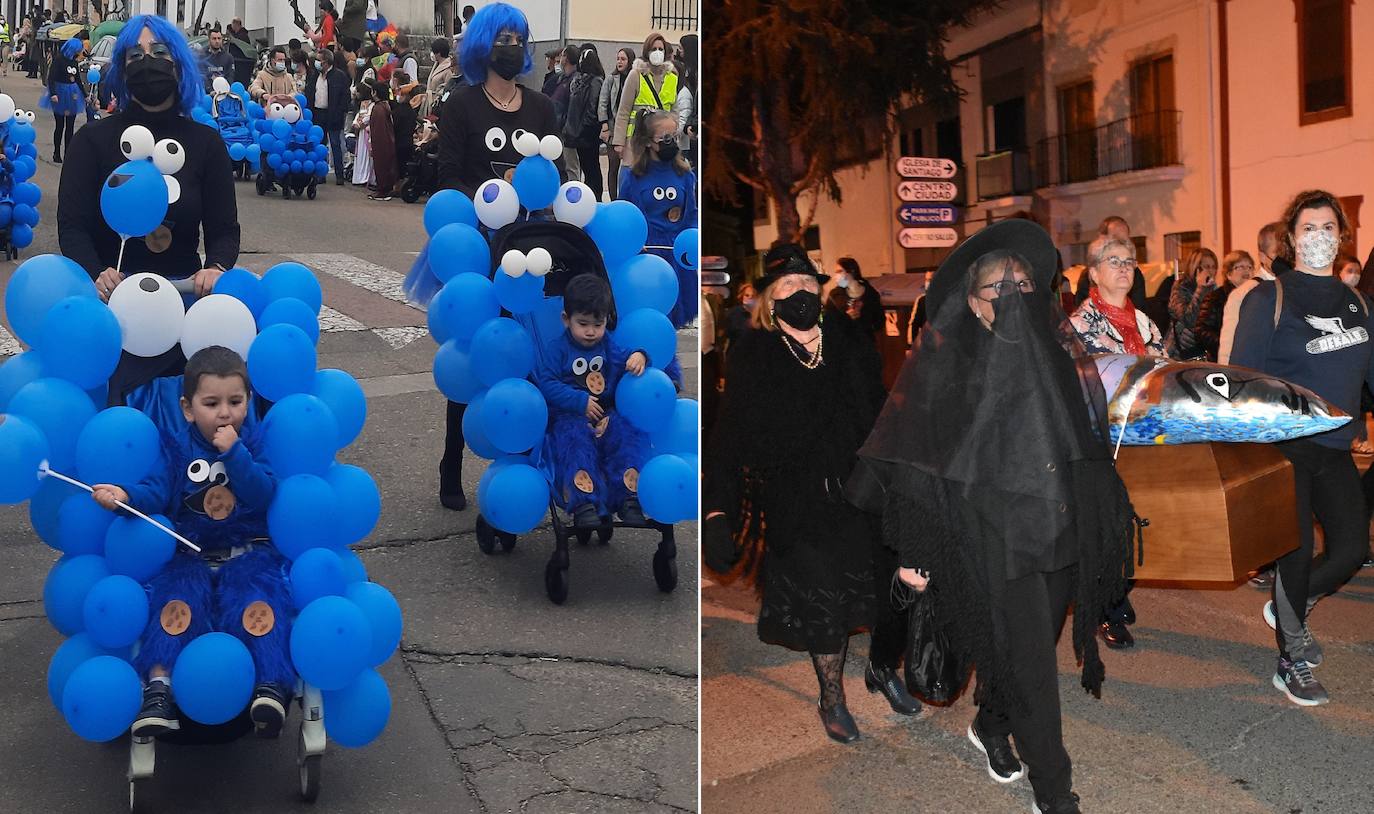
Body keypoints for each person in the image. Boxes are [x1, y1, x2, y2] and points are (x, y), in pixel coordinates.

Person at [851, 220, 1136, 813]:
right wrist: (917, 555)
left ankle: (992, 721)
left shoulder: (1059, 355)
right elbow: (918, 464)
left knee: (1027, 651)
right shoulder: (948, 365)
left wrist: (1101, 522)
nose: (1012, 296)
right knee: (1033, 667)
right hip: (992, 535)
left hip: (1058, 529)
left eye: (1023, 285)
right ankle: (1054, 793)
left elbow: (1086, 445)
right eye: (998, 288)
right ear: (974, 304)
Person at [705, 242, 910, 744]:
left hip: (860, 491)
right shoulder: (755, 354)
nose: (799, 292)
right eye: (787, 285)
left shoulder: (848, 341)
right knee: (825, 603)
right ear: (770, 300)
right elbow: (730, 437)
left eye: (806, 283)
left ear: (820, 292)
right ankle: (832, 697)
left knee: (888, 591)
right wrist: (717, 511)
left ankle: (883, 667)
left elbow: (882, 411)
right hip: (798, 503)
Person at [91, 347, 293, 739]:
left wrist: (235, 454)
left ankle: (270, 684)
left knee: (259, 603)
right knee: (174, 605)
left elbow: (263, 493)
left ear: (248, 402)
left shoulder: (253, 445)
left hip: (246, 552)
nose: (225, 413)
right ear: (187, 408)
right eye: (211, 404)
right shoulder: (176, 449)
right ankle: (159, 689)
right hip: (189, 553)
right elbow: (155, 491)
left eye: (235, 402)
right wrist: (125, 496)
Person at [1230, 190, 1374, 706]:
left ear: (1342, 236)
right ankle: (1291, 659)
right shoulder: (1269, 298)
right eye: (1308, 228)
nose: (1319, 237)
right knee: (1295, 553)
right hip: (1283, 448)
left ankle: (1291, 603)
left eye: (1328, 227)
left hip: (1333, 447)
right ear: (1292, 238)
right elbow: (1241, 380)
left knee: (1352, 549)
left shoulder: (1359, 304)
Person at [57, 15, 240, 404]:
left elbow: (224, 229)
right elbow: (72, 226)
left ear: (178, 64)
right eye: (135, 55)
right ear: (122, 70)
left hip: (184, 315)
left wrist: (216, 267)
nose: (147, 62)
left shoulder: (206, 144)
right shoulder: (92, 141)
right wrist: (96, 273)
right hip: (113, 316)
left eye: (158, 52)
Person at [431, 3, 562, 509]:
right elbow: (447, 177)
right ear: (484, 45)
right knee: (472, 353)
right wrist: (494, 194)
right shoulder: (461, 104)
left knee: (526, 353)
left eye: (519, 39)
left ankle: (522, 460)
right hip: (477, 248)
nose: (512, 47)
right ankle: (452, 458)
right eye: (503, 38)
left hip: (531, 250)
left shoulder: (541, 107)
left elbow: (554, 177)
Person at [535, 274, 652, 528]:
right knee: (574, 442)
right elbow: (547, 383)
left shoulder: (606, 344)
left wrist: (640, 356)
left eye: (597, 325)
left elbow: (624, 357)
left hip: (604, 413)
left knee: (624, 433)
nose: (590, 332)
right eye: (583, 324)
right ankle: (583, 501)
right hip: (568, 414)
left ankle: (628, 494)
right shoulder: (558, 349)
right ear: (566, 319)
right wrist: (579, 401)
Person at [616, 109, 698, 327]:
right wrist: (634, 245)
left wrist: (692, 241)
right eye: (666, 138)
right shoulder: (633, 178)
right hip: (648, 254)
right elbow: (625, 217)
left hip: (678, 253)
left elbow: (692, 215)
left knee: (676, 319)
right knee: (651, 314)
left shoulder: (686, 175)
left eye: (675, 136)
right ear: (648, 142)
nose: (673, 142)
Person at [1069, 238, 1166, 356]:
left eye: (1128, 262)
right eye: (1114, 262)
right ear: (1094, 274)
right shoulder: (1080, 325)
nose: (1124, 268)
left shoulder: (1145, 323)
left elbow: (1163, 365)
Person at [1219, 222, 1291, 365]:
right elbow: (1228, 350)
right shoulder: (1244, 293)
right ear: (1262, 257)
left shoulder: (1296, 286)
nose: (1284, 259)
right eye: (1277, 253)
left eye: (1287, 252)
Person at [613, 32, 678, 167]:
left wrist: (674, 135)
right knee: (635, 172)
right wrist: (619, 142)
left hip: (660, 140)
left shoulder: (672, 78)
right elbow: (624, 110)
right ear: (647, 52)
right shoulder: (636, 75)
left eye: (660, 49)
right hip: (636, 137)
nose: (657, 52)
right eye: (653, 49)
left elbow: (675, 111)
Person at [1195, 251, 1256, 362]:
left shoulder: (1257, 297)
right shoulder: (1215, 298)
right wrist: (1225, 344)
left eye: (1250, 267)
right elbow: (1201, 331)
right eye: (1241, 267)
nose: (1246, 271)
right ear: (1228, 274)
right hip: (1222, 359)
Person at [307, 48, 351, 185]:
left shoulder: (339, 76)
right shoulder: (314, 75)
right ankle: (320, 173)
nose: (316, 63)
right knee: (319, 145)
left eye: (319, 60)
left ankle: (339, 174)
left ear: (326, 62)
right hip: (317, 113)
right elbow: (310, 92)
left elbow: (345, 96)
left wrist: (340, 112)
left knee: (335, 144)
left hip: (333, 114)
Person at [1164, 247, 1219, 359]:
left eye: (1214, 267)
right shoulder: (1180, 287)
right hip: (1180, 353)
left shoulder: (1214, 289)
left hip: (1203, 351)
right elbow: (1188, 319)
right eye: (1207, 267)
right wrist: (1200, 289)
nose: (1211, 271)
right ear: (1196, 268)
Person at [564, 45, 604, 197]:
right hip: (578, 133)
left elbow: (592, 107)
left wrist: (584, 128)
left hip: (587, 133)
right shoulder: (580, 81)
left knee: (591, 168)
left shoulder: (594, 81)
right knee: (584, 167)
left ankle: (595, 197)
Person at [599, 47, 633, 200]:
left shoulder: (634, 78)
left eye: (623, 59)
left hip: (629, 129)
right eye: (618, 59)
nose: (619, 62)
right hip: (612, 128)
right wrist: (604, 125)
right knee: (613, 166)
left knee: (628, 167)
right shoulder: (611, 79)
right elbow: (603, 102)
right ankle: (614, 200)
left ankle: (626, 198)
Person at [44, 37, 85, 164]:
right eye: (78, 49)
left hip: (73, 95)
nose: (80, 52)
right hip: (60, 94)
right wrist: (53, 93)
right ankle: (56, 152)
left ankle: (68, 153)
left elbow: (78, 80)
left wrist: (85, 95)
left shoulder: (74, 61)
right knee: (60, 125)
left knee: (70, 126)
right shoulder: (59, 60)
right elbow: (51, 78)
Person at [833, 258, 883, 340]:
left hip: (866, 341)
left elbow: (879, 321)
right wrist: (846, 318)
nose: (836, 275)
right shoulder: (835, 295)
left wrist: (863, 318)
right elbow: (829, 321)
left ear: (851, 271)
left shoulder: (870, 294)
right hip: (843, 342)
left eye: (840, 271)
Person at [366, 80, 396, 200]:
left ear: (375, 93)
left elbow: (378, 129)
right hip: (388, 141)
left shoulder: (378, 109)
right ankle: (384, 188)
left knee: (381, 166)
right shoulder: (385, 106)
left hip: (381, 142)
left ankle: (383, 190)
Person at [421, 37, 455, 119]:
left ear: (438, 53)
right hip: (429, 102)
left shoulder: (448, 69)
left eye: (433, 52)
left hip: (437, 105)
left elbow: (448, 89)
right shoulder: (436, 65)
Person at [349, 81, 375, 187]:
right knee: (360, 155)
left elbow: (368, 116)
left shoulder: (372, 105)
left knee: (366, 155)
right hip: (361, 133)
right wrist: (355, 123)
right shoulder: (363, 104)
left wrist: (360, 123)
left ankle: (366, 177)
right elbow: (359, 114)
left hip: (367, 132)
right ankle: (359, 177)